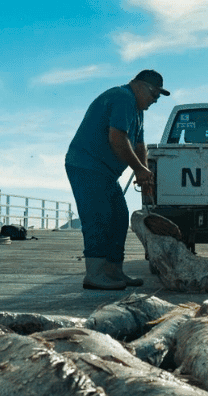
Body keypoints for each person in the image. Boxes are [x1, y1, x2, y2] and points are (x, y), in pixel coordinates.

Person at [65, 70, 169, 290]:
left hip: (107, 173)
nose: (155, 100)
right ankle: (94, 274)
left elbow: (140, 145)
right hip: (87, 165)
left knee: (119, 218)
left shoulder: (138, 110)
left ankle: (113, 272)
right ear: (139, 86)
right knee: (99, 217)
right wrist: (138, 169)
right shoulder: (122, 97)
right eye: (154, 95)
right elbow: (117, 137)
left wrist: (144, 174)